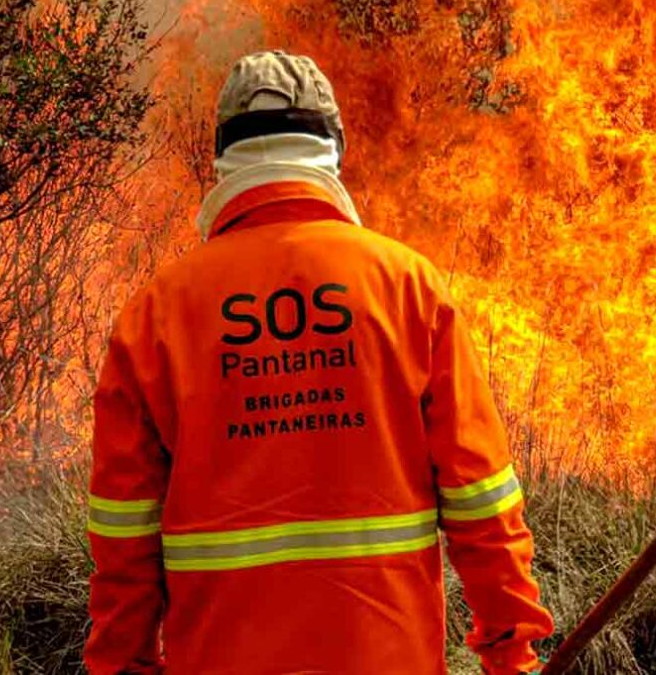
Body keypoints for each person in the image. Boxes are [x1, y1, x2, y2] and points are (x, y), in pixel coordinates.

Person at [84, 50, 554, 675]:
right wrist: (511, 653)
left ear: (222, 155)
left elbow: (123, 539)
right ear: (333, 145)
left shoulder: (156, 314)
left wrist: (122, 666)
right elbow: (480, 500)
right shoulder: (408, 288)